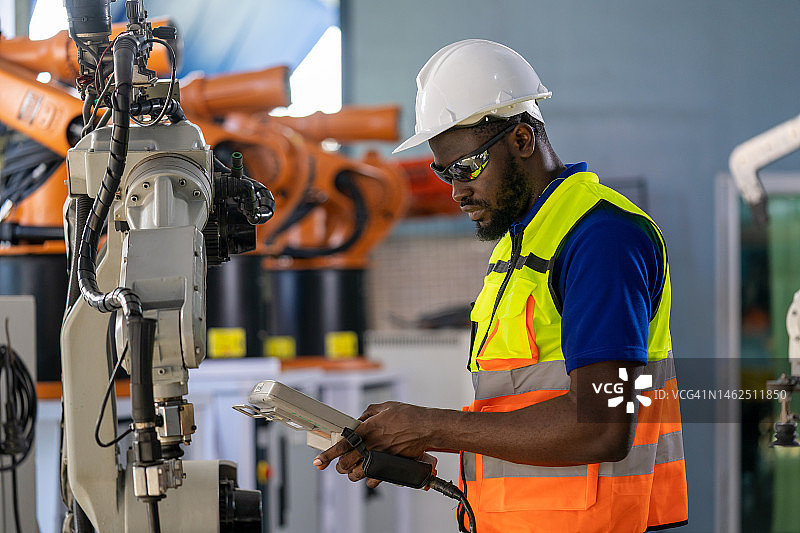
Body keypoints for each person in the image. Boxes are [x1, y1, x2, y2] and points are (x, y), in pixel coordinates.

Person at [313, 39, 688, 533]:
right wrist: (415, 442)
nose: (455, 191)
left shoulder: (600, 236)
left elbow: (601, 426)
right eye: (443, 171)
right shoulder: (521, 241)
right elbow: (517, 410)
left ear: (521, 140)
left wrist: (432, 425)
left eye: (466, 168)